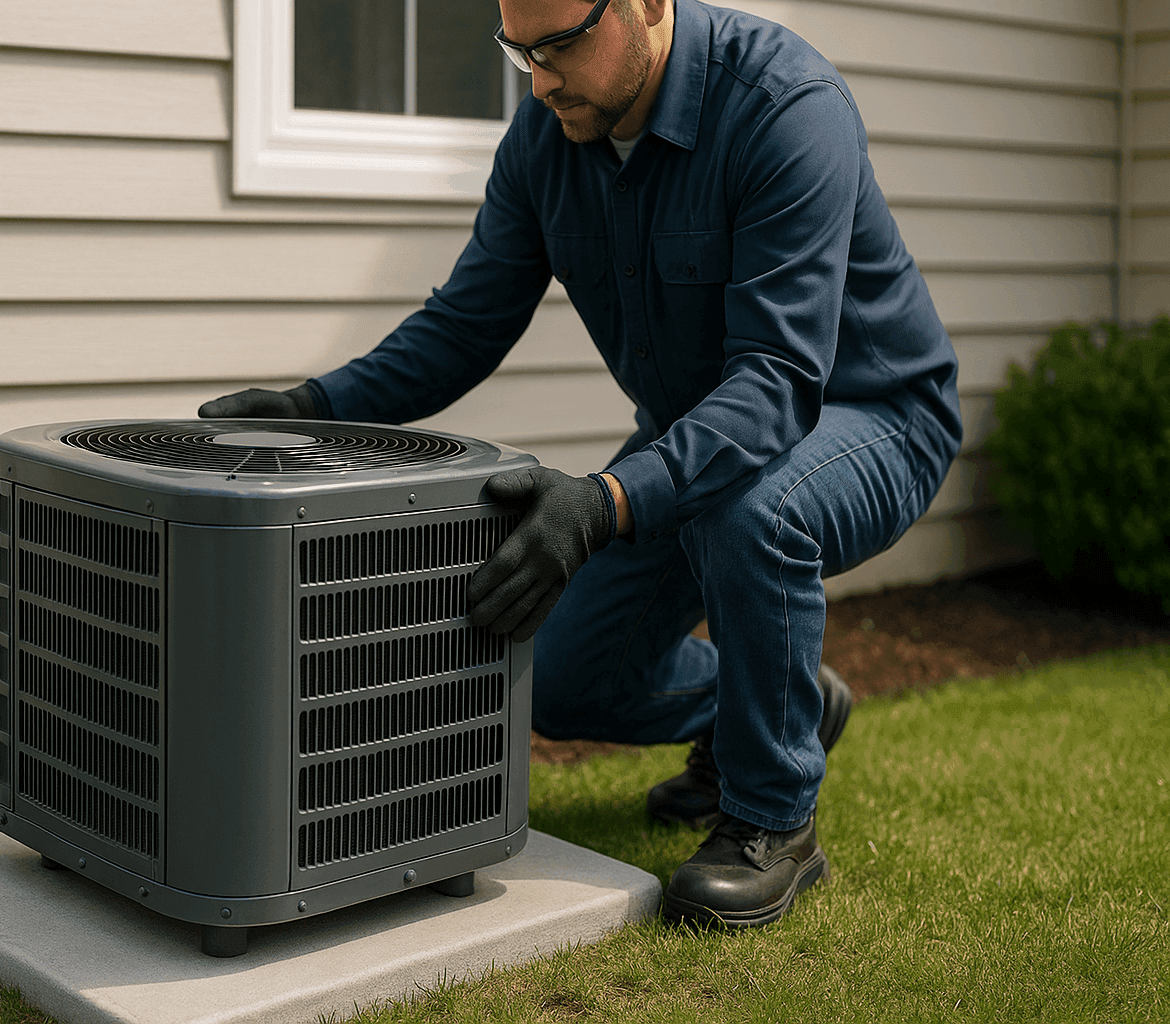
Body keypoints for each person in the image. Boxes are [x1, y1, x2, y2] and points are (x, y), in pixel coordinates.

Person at [200, 0, 961, 928]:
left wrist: (601, 502)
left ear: (646, 5)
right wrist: (313, 409)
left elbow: (773, 385)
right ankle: (768, 704)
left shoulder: (784, 106)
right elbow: (465, 322)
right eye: (519, 48)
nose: (540, 77)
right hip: (700, 428)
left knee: (750, 508)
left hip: (870, 412)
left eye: (562, 44)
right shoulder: (547, 135)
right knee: (561, 681)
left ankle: (772, 819)